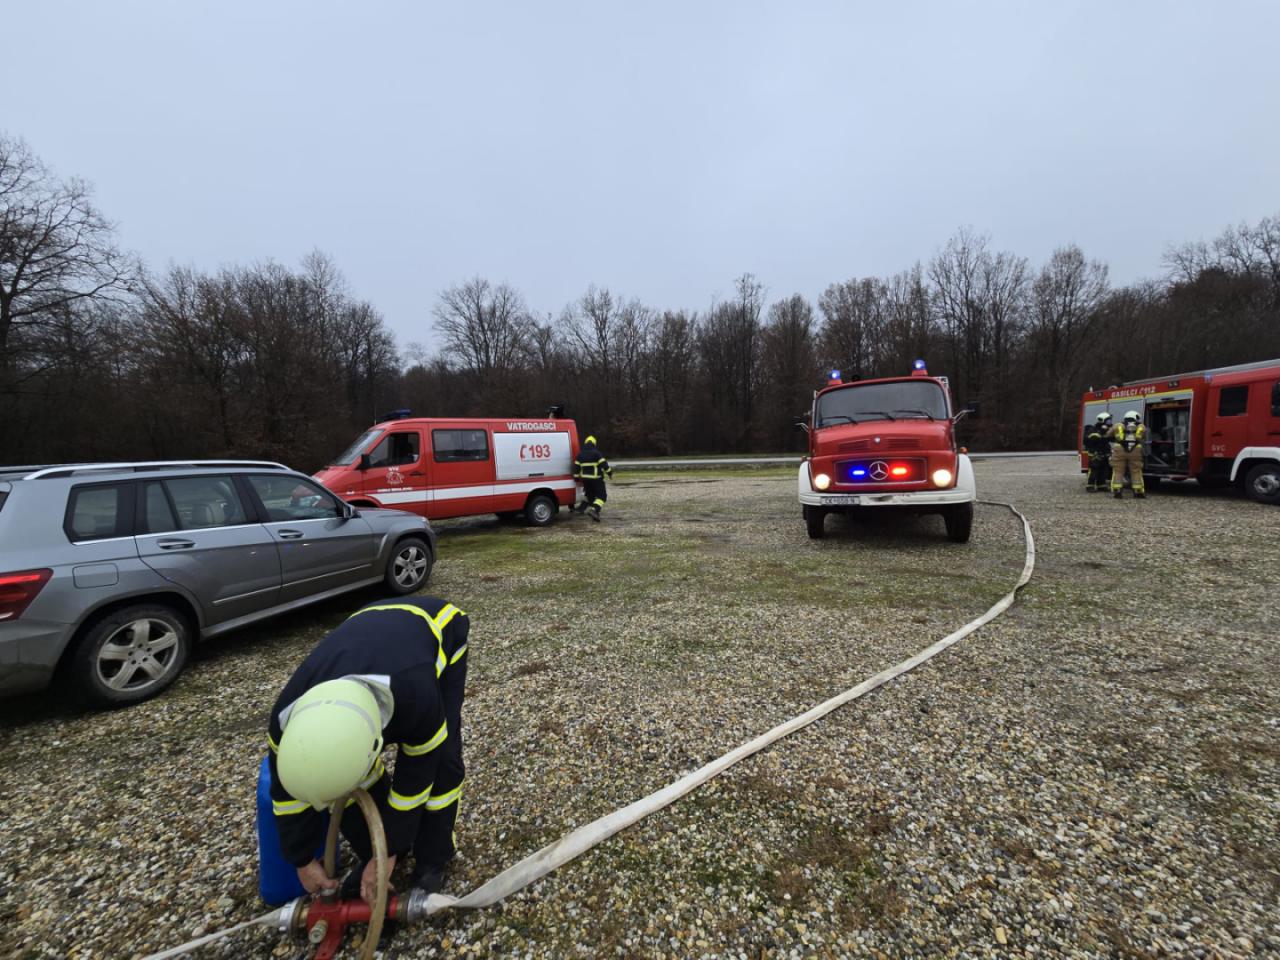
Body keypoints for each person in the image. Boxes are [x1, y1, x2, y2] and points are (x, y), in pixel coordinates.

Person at [267, 597, 469, 903]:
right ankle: (374, 851)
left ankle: (433, 855)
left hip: (436, 624)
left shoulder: (417, 697)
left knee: (442, 762)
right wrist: (302, 860)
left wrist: (391, 848)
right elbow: (286, 797)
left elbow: (414, 782)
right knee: (347, 781)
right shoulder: (286, 720)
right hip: (368, 624)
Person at [571, 434, 614, 522]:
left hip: (585, 480)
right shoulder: (596, 453)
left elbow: (576, 468)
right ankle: (595, 510)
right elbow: (604, 465)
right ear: (594, 444)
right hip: (596, 479)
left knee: (589, 496)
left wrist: (576, 479)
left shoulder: (580, 454)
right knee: (602, 496)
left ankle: (581, 508)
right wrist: (609, 473)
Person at [1108, 410, 1147, 499]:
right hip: (1135, 450)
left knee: (1118, 471)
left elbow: (1108, 435)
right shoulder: (1141, 426)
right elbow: (1143, 436)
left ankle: (1117, 490)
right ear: (1135, 417)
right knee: (1136, 471)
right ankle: (1138, 491)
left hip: (1119, 449)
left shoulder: (1118, 425)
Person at [1083, 412, 1113, 492]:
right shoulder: (1093, 429)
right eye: (1108, 420)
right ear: (1102, 420)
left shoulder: (1106, 430)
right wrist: (1101, 432)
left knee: (1104, 470)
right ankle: (1090, 485)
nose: (1110, 422)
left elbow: (1109, 439)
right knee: (1094, 470)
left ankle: (1101, 485)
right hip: (1095, 454)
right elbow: (1092, 441)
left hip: (1104, 453)